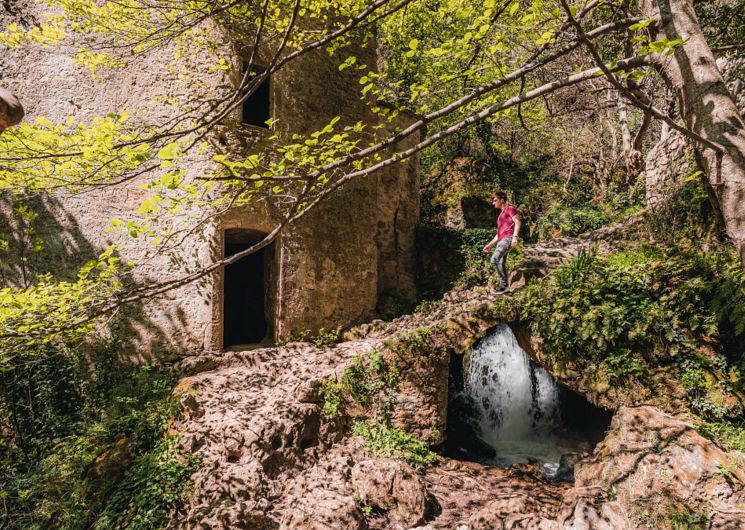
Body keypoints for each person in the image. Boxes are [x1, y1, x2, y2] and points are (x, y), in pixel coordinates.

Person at [482, 191, 521, 292]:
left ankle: (503, 286)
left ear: (502, 200)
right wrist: (490, 245)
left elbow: (517, 221)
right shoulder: (501, 215)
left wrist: (515, 237)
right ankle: (505, 287)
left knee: (494, 259)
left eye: (495, 200)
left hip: (508, 239)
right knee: (500, 262)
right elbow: (499, 234)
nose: (493, 203)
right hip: (501, 240)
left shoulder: (510, 209)